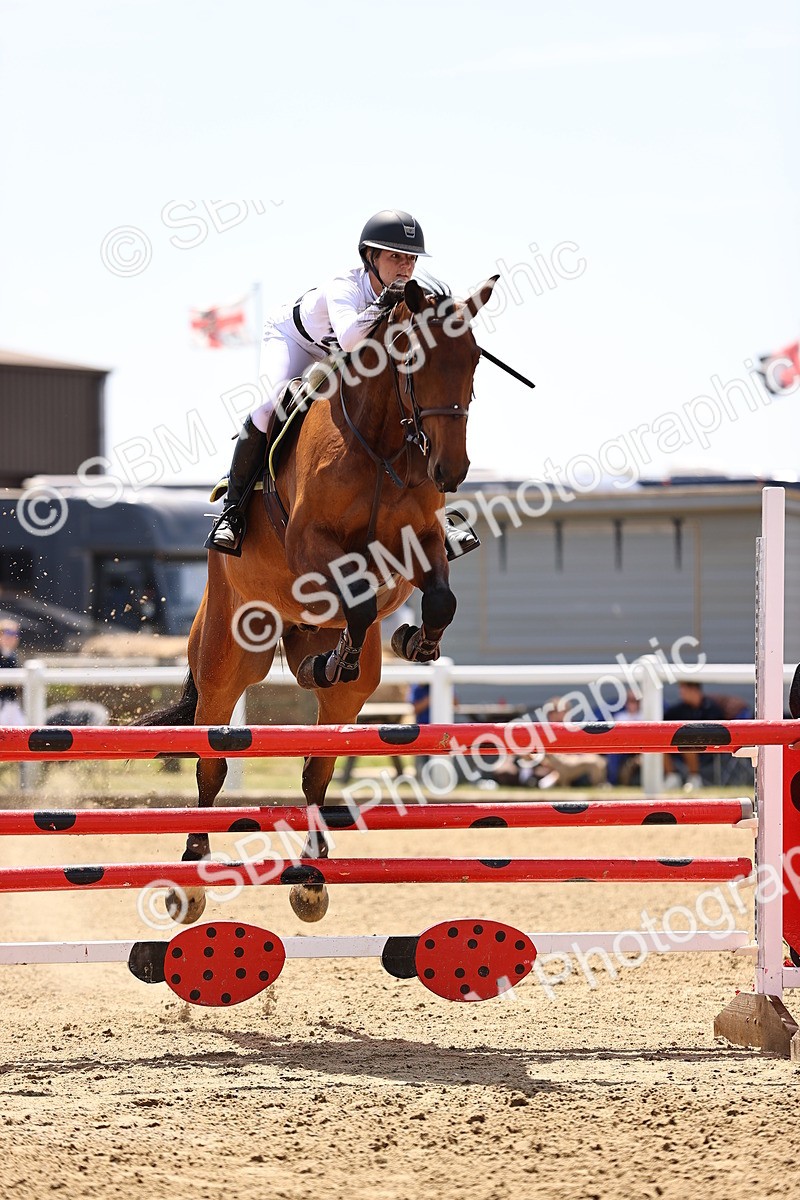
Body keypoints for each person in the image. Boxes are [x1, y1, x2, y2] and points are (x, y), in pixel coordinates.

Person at [206, 209, 479, 561]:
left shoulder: (410, 293)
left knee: (410, 405)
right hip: (299, 342)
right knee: (268, 406)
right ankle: (233, 512)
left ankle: (436, 523)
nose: (405, 267)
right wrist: (383, 303)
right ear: (370, 257)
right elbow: (350, 339)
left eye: (410, 259)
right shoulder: (344, 286)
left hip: (343, 354)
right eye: (395, 257)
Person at [663, 681, 725, 790]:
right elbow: (663, 724)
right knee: (660, 743)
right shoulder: (678, 709)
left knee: (687, 740)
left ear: (694, 690)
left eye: (684, 690)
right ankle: (672, 777)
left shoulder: (711, 707)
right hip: (678, 748)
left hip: (709, 749)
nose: (681, 693)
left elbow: (718, 730)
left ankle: (694, 778)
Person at [0, 618, 24, 726]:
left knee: (22, 733)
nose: (13, 637)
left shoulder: (13, 655)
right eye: (9, 632)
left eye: (16, 633)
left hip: (11, 704)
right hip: (2, 703)